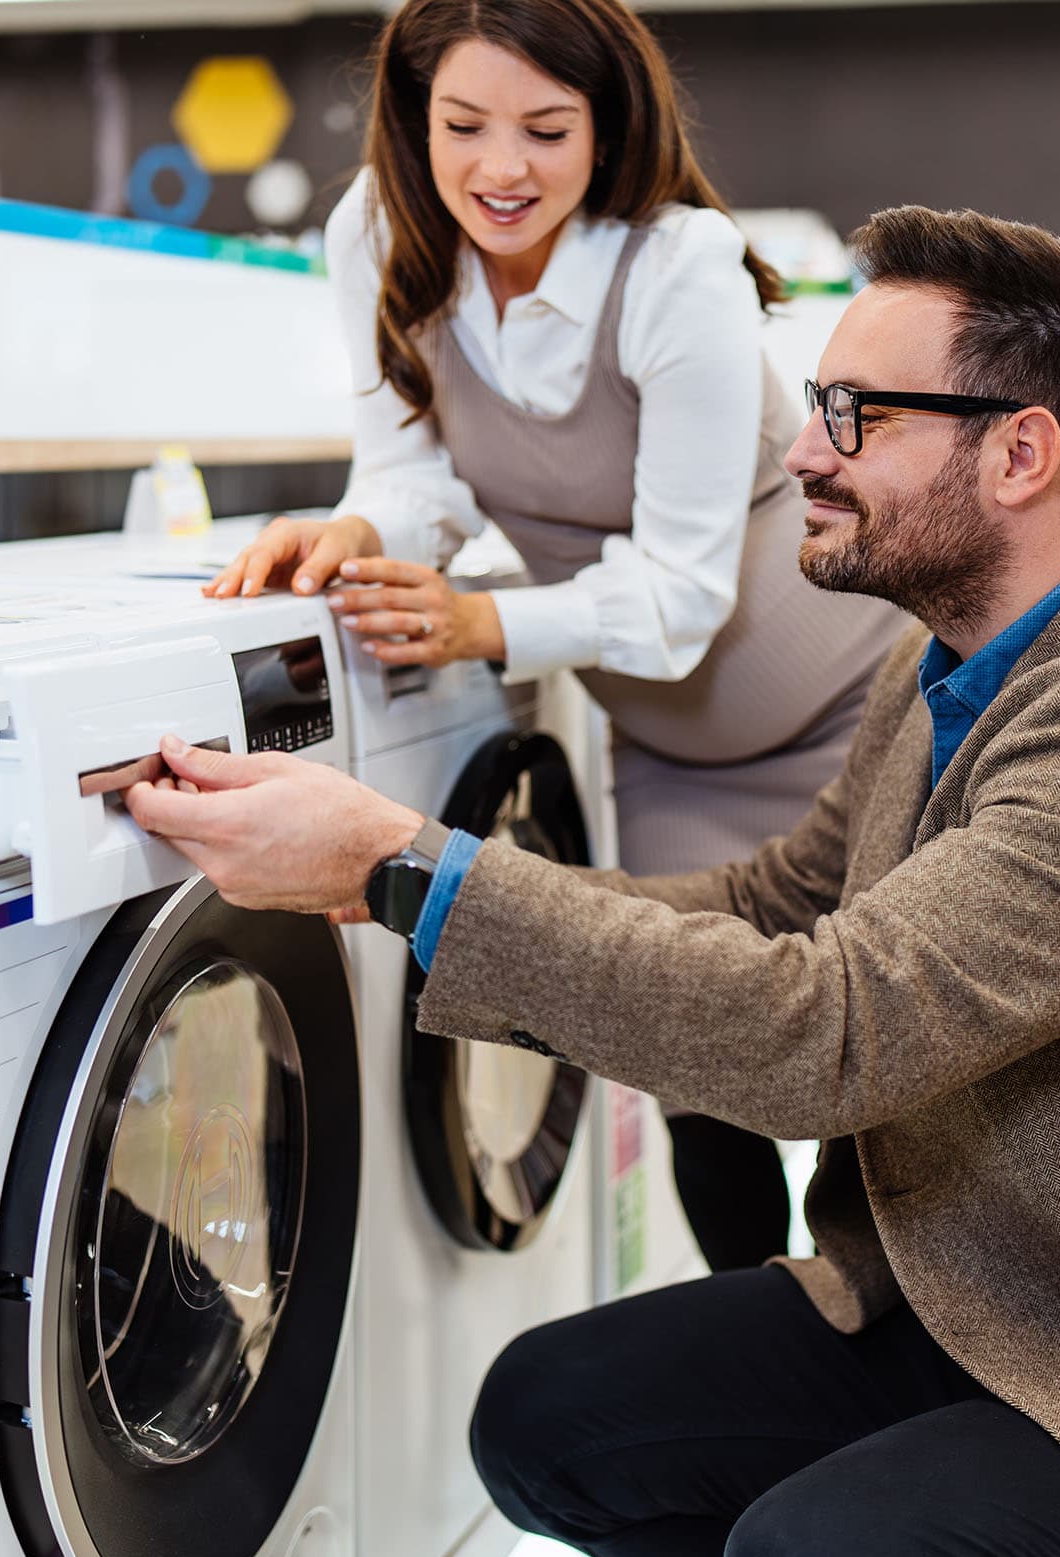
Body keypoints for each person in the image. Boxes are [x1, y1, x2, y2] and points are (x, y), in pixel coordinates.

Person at [137, 205, 1060, 1557]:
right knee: (546, 1425)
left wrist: (401, 866)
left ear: (1021, 451)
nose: (799, 452)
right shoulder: (945, 665)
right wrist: (404, 898)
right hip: (966, 1293)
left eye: (850, 414)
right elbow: (775, 905)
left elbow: (824, 1033)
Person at [203, 0, 902, 1275]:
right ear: (414, 120)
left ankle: (890, 1366)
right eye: (461, 126)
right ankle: (764, 1351)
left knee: (887, 1068)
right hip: (672, 743)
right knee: (699, 1066)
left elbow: (682, 597)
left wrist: (477, 622)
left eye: (545, 128)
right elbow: (411, 465)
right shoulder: (376, 230)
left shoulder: (674, 264)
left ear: (609, 122)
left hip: (852, 706)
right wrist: (363, 532)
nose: (499, 169)